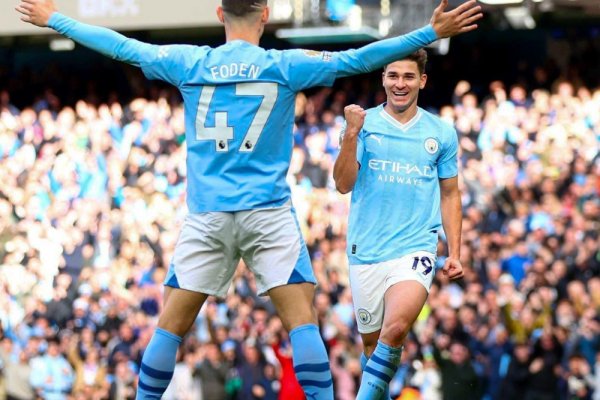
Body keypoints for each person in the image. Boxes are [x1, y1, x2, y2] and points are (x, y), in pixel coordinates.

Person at [16, 0, 481, 398]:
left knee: (168, 328)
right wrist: (428, 31)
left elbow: (121, 46)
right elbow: (358, 59)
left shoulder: (189, 63)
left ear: (219, 13)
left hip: (208, 215)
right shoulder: (283, 66)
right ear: (267, 13)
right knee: (302, 324)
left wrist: (56, 18)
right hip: (268, 214)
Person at [333, 48, 465, 399]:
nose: (400, 83)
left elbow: (450, 194)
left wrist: (455, 250)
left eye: (408, 76)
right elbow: (343, 184)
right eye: (393, 76)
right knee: (374, 350)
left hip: (415, 248)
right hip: (366, 251)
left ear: (422, 80)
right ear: (383, 79)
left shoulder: (441, 132)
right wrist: (350, 134)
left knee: (395, 329)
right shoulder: (362, 125)